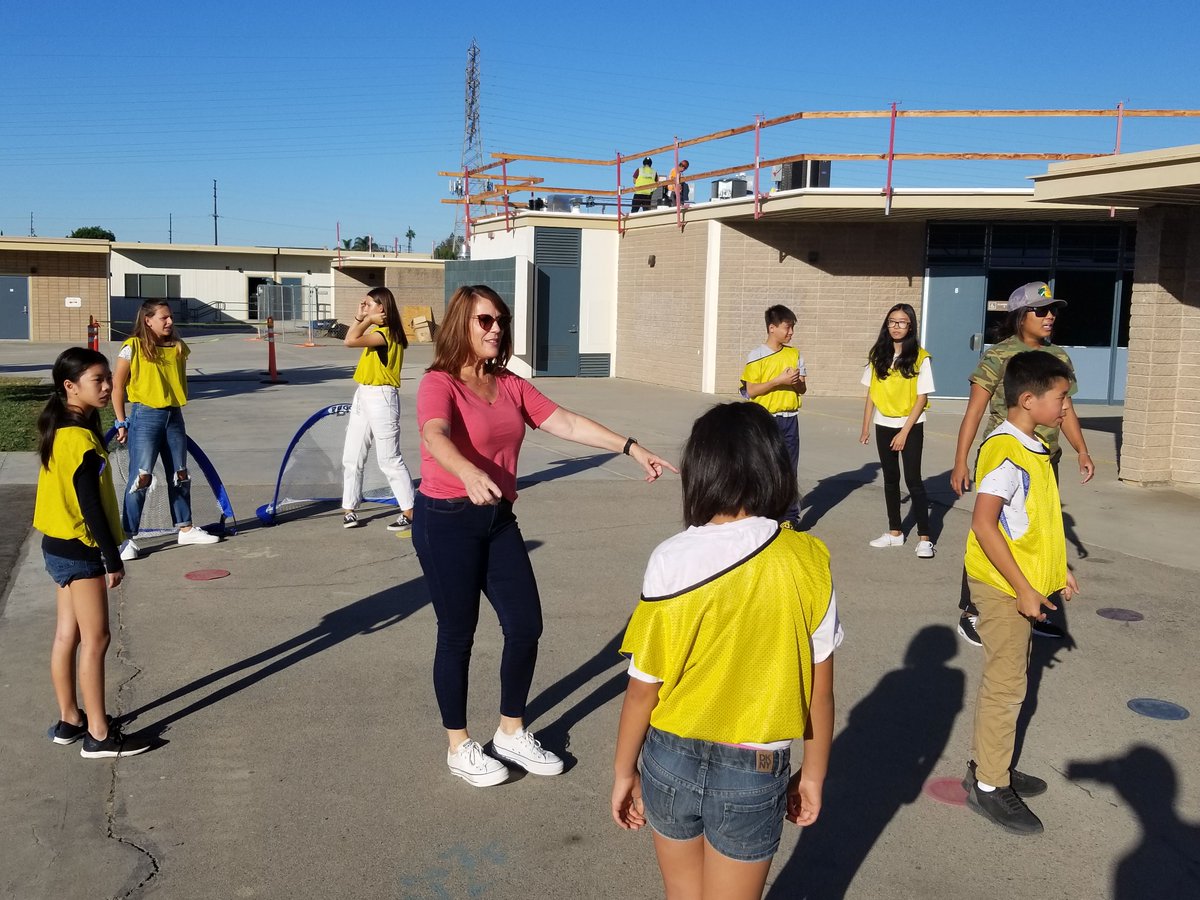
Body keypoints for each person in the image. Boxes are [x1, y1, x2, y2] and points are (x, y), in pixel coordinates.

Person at [414, 284, 677, 787]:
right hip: (445, 518)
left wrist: (630, 447)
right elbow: (434, 435)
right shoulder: (440, 382)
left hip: (496, 517)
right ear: (461, 326)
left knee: (525, 625)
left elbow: (567, 423)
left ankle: (511, 732)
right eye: (484, 321)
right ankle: (459, 745)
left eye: (501, 321)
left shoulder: (509, 384)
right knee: (457, 633)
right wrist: (467, 473)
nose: (496, 329)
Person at [611, 402, 840, 899]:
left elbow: (641, 690)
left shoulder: (670, 558)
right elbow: (819, 692)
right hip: (755, 764)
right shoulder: (808, 560)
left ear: (700, 472)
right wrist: (814, 774)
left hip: (669, 754)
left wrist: (623, 771)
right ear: (776, 469)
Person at [961, 350, 1080, 834]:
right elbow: (985, 525)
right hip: (1002, 587)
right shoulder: (1008, 452)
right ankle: (989, 785)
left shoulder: (1031, 447)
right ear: (1029, 400)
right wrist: (1024, 589)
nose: (1067, 408)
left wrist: (1058, 569)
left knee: (1011, 682)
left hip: (1021, 582)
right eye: (1062, 398)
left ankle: (994, 764)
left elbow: (1032, 523)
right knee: (1007, 686)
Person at [949, 282, 1093, 644]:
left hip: (1044, 460)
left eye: (1053, 311)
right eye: (1040, 311)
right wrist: (960, 461)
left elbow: (1068, 408)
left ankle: (1036, 599)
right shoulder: (999, 355)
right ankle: (972, 610)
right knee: (992, 530)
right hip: (1007, 458)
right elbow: (975, 410)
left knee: (1037, 531)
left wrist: (1082, 450)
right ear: (1019, 316)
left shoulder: (1058, 356)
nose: (1049, 317)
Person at [35, 348, 149, 759]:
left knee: (68, 634)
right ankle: (99, 734)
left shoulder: (61, 428)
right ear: (70, 386)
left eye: (107, 379)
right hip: (81, 549)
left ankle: (70, 720)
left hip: (55, 545)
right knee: (96, 638)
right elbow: (91, 506)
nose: (107, 387)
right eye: (97, 380)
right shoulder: (77, 438)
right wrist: (112, 559)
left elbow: (76, 478)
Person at [112, 299, 219, 559]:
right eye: (164, 318)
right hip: (145, 415)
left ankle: (185, 528)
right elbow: (117, 387)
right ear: (148, 320)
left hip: (174, 415)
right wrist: (121, 421)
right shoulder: (132, 347)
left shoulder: (179, 348)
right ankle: (127, 539)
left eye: (170, 317)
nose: (170, 322)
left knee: (180, 474)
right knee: (141, 477)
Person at [859, 303, 935, 557]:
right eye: (892, 321)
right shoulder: (878, 354)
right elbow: (871, 392)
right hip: (884, 423)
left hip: (910, 425)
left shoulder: (920, 357)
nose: (896, 326)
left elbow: (921, 398)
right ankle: (895, 532)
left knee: (913, 480)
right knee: (891, 480)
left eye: (901, 322)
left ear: (910, 325)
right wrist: (865, 426)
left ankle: (925, 536)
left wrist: (904, 432)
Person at [340, 287, 416, 531]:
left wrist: (366, 320)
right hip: (364, 393)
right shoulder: (376, 330)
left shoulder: (386, 333)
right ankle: (349, 508)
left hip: (382, 396)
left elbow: (349, 340)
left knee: (389, 459)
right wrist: (361, 317)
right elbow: (351, 336)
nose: (365, 306)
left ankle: (410, 510)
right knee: (352, 456)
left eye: (369, 304)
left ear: (382, 308)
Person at [740, 304, 807, 526]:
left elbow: (803, 389)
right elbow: (750, 391)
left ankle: (788, 519)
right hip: (764, 420)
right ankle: (762, 516)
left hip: (790, 419)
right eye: (787, 327)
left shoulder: (795, 354)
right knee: (764, 469)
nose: (791, 333)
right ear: (772, 327)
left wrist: (796, 382)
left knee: (789, 469)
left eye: (792, 328)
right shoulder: (756, 356)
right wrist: (778, 381)